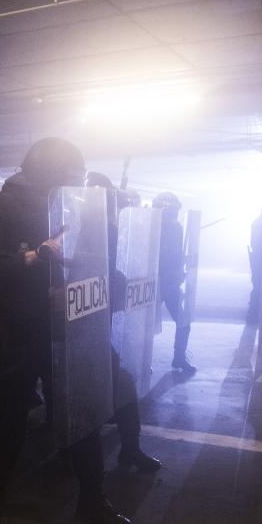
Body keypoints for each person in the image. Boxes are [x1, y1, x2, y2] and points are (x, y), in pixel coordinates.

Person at [0, 138, 133, 524]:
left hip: (67, 327)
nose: (76, 184)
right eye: (69, 178)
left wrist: (92, 283)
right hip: (20, 330)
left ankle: (93, 499)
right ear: (47, 177)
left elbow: (97, 261)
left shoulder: (75, 205)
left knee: (83, 417)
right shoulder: (3, 207)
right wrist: (31, 259)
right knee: (10, 420)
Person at [85, 171, 160, 473]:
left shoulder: (108, 231)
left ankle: (130, 449)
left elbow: (111, 274)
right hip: (61, 330)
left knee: (123, 385)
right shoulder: (66, 227)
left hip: (92, 328)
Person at [152, 192, 196, 374]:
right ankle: (142, 361)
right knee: (145, 325)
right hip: (153, 282)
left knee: (183, 320)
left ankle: (179, 357)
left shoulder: (177, 228)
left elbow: (176, 254)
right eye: (173, 209)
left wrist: (180, 268)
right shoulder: (152, 227)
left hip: (170, 283)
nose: (176, 213)